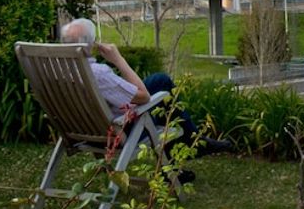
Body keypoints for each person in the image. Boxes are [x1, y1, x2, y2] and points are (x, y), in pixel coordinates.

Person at [59, 19, 232, 169]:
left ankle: (173, 164)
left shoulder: (55, 69)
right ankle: (190, 142)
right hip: (116, 133)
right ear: (92, 44)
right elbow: (143, 97)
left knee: (157, 83)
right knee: (161, 83)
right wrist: (118, 59)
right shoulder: (97, 74)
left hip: (79, 132)